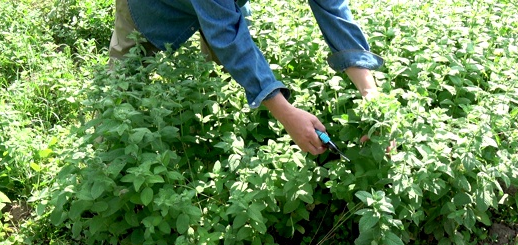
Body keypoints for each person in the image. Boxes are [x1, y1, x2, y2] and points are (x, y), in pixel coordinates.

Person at [109, 0, 383, 155]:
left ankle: (211, 120)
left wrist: (372, 98)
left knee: (227, 60)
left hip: (221, 6)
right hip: (153, 7)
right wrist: (287, 114)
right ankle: (107, 167)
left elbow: (332, 8)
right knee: (121, 87)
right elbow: (226, 33)